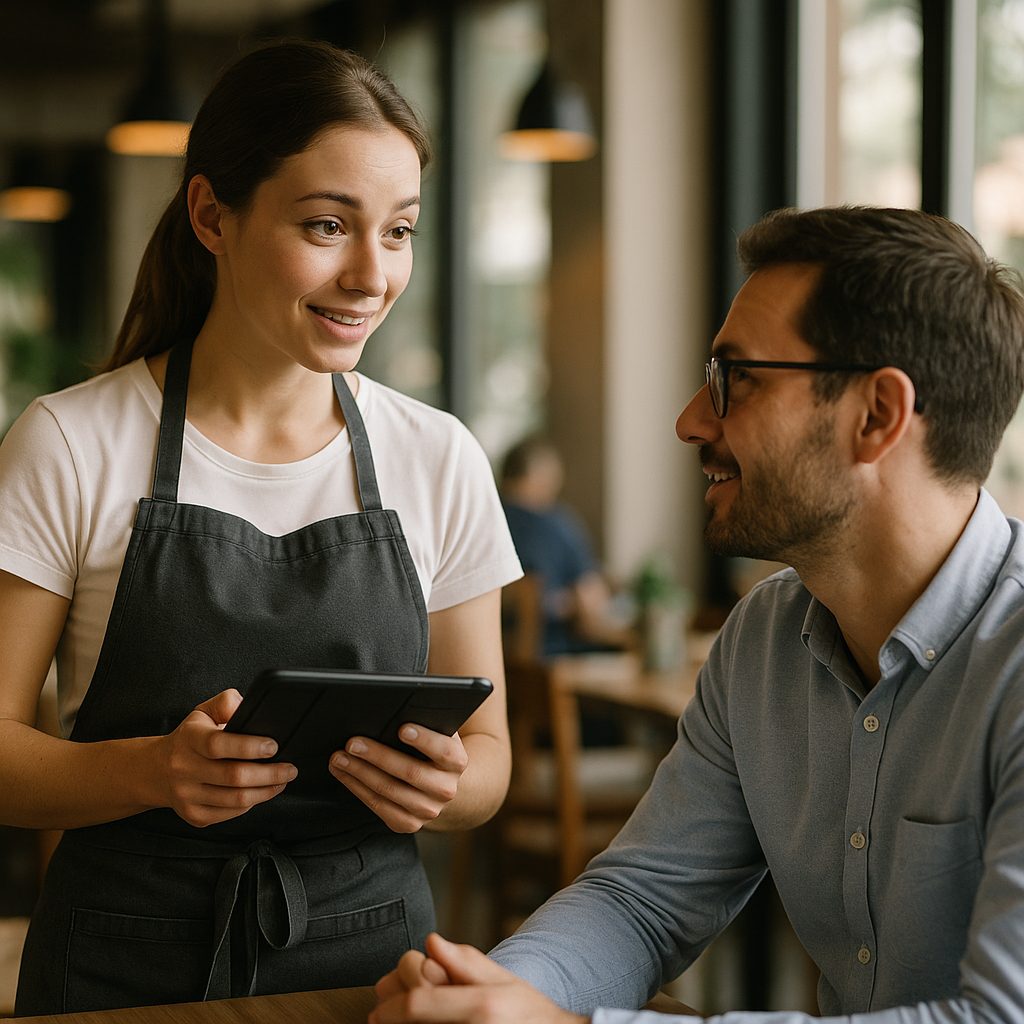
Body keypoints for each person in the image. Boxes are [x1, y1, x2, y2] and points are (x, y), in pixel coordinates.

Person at [371, 205, 1024, 1024]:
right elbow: (642, 901)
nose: (689, 422)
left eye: (737, 379)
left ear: (877, 416)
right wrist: (494, 994)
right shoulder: (763, 639)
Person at [0, 40, 521, 1013]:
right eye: (327, 225)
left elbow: (489, 757)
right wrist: (153, 770)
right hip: (122, 970)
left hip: (375, 967)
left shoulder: (439, 455)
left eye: (399, 231)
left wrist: (445, 788)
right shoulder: (69, 442)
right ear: (212, 216)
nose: (371, 275)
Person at [500, 434, 630, 657]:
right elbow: (591, 601)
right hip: (552, 658)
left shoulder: (482, 522)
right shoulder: (556, 524)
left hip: (495, 659)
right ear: (544, 477)